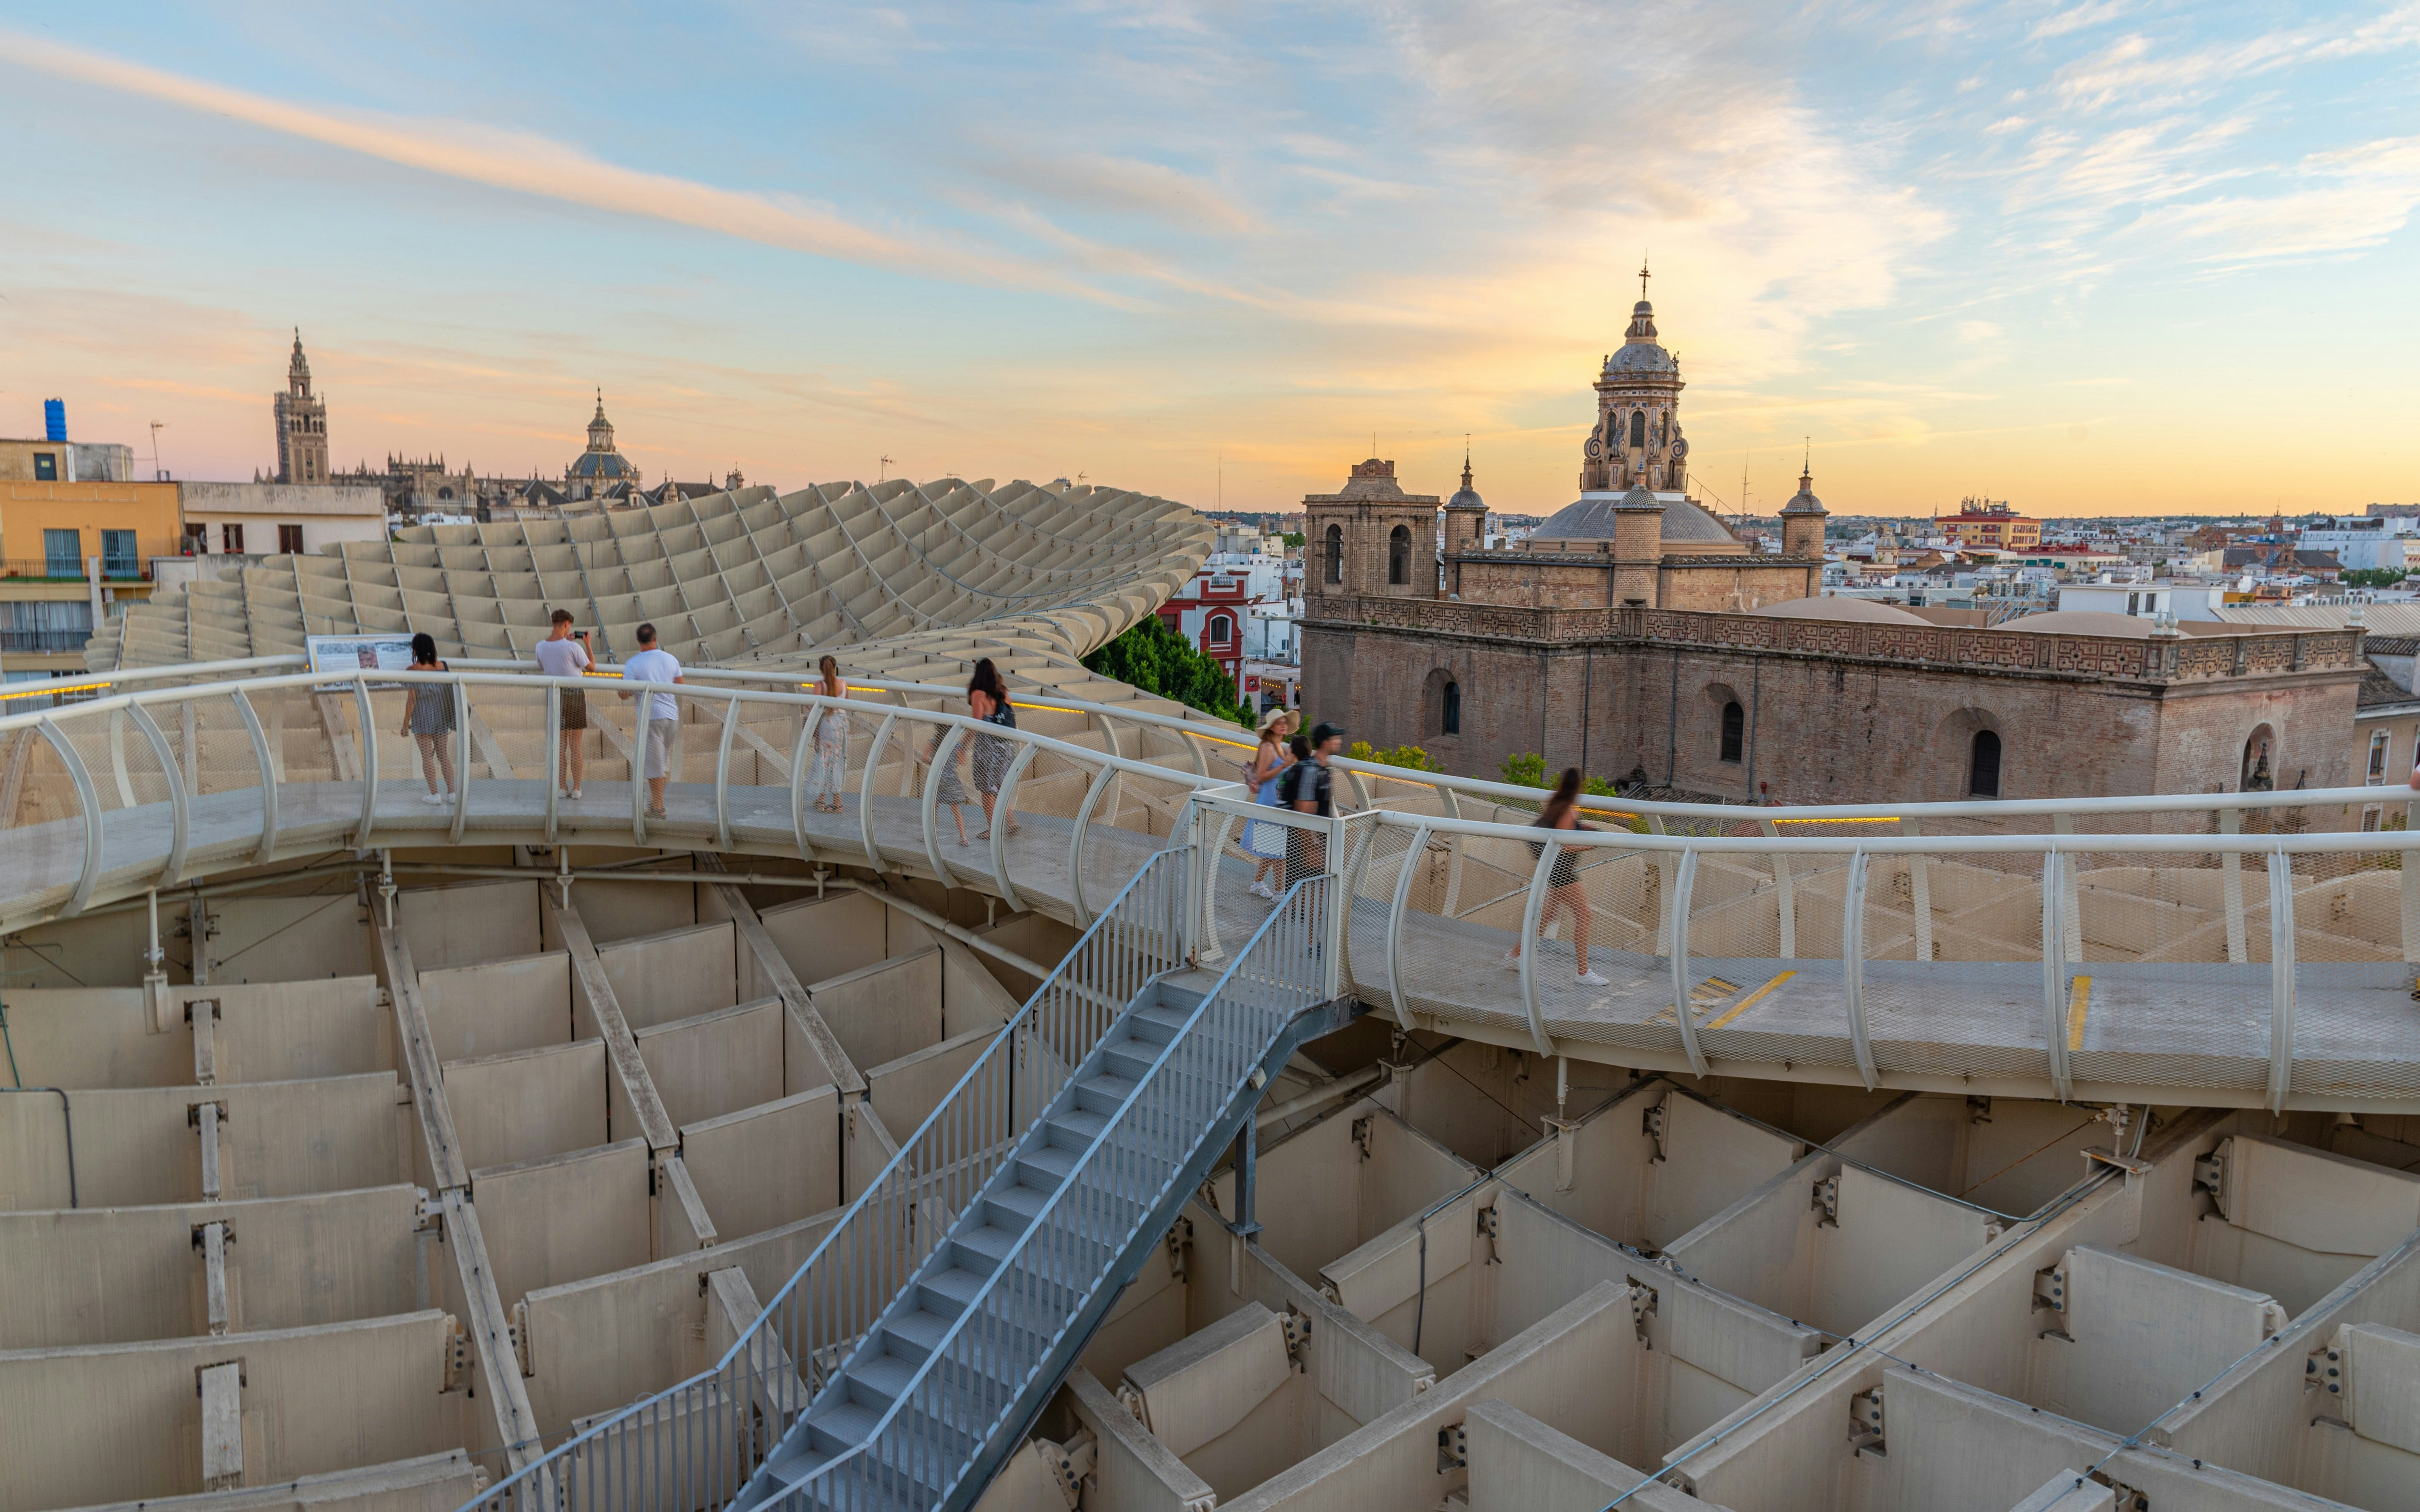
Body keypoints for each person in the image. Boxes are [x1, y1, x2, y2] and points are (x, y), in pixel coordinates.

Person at [1503, 767, 1608, 987]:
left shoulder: (1555, 802)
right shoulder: (1568, 811)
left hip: (1554, 870)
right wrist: (1590, 846)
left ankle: (1515, 955)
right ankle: (1583, 972)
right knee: (1585, 916)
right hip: (1563, 872)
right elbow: (1563, 846)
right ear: (1578, 787)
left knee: (1549, 915)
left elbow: (1558, 832)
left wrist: (1582, 827)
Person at [619, 623, 683, 819]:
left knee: (654, 764)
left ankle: (658, 807)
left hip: (651, 718)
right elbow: (680, 685)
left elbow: (624, 693)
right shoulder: (670, 659)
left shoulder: (633, 663)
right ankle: (657, 803)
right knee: (661, 760)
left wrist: (633, 690)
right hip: (672, 717)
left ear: (638, 641)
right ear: (655, 639)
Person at [1277, 721, 1344, 890]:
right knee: (1305, 903)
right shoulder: (1311, 770)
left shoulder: (1324, 769)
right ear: (1325, 743)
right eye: (1335, 738)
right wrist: (1311, 850)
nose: (1339, 741)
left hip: (1317, 847)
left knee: (1312, 903)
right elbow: (1304, 813)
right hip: (1306, 851)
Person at [534, 609, 591, 800]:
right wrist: (588, 645)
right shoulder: (573, 648)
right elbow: (591, 666)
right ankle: (576, 788)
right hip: (574, 695)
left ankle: (561, 786)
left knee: (560, 744)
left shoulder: (540, 647)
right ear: (567, 624)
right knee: (576, 745)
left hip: (554, 695)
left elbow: (543, 666)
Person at [1242, 708, 1298, 899]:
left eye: (1285, 723)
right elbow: (1262, 776)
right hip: (1269, 803)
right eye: (1279, 723)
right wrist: (1285, 765)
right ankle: (1280, 893)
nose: (1283, 726)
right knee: (1279, 852)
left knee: (1273, 850)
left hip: (1277, 803)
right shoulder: (1268, 747)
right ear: (1272, 727)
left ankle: (1258, 884)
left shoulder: (1281, 747)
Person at [398, 632, 456, 804]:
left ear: (415, 650)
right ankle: (452, 794)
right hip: (441, 715)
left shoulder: (413, 670)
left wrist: (405, 724)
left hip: (422, 716)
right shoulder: (442, 667)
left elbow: (412, 700)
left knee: (426, 757)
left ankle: (435, 794)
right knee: (443, 755)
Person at [968, 657, 1020, 839]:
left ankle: (993, 830)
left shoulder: (978, 695)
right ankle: (1012, 822)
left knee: (987, 790)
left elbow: (976, 725)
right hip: (1006, 747)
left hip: (986, 749)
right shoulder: (1004, 693)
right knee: (1001, 787)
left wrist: (963, 746)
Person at [806, 655, 848, 813]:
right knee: (837, 763)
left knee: (823, 762)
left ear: (820, 669)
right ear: (835, 668)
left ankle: (822, 800)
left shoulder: (820, 685)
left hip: (827, 727)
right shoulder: (844, 684)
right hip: (842, 727)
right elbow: (847, 704)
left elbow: (814, 710)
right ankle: (838, 802)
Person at [923, 725, 975, 845]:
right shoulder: (956, 745)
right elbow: (962, 762)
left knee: (933, 807)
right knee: (955, 809)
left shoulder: (934, 742)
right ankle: (963, 838)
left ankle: (928, 835)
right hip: (950, 779)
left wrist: (935, 763)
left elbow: (924, 758)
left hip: (935, 778)